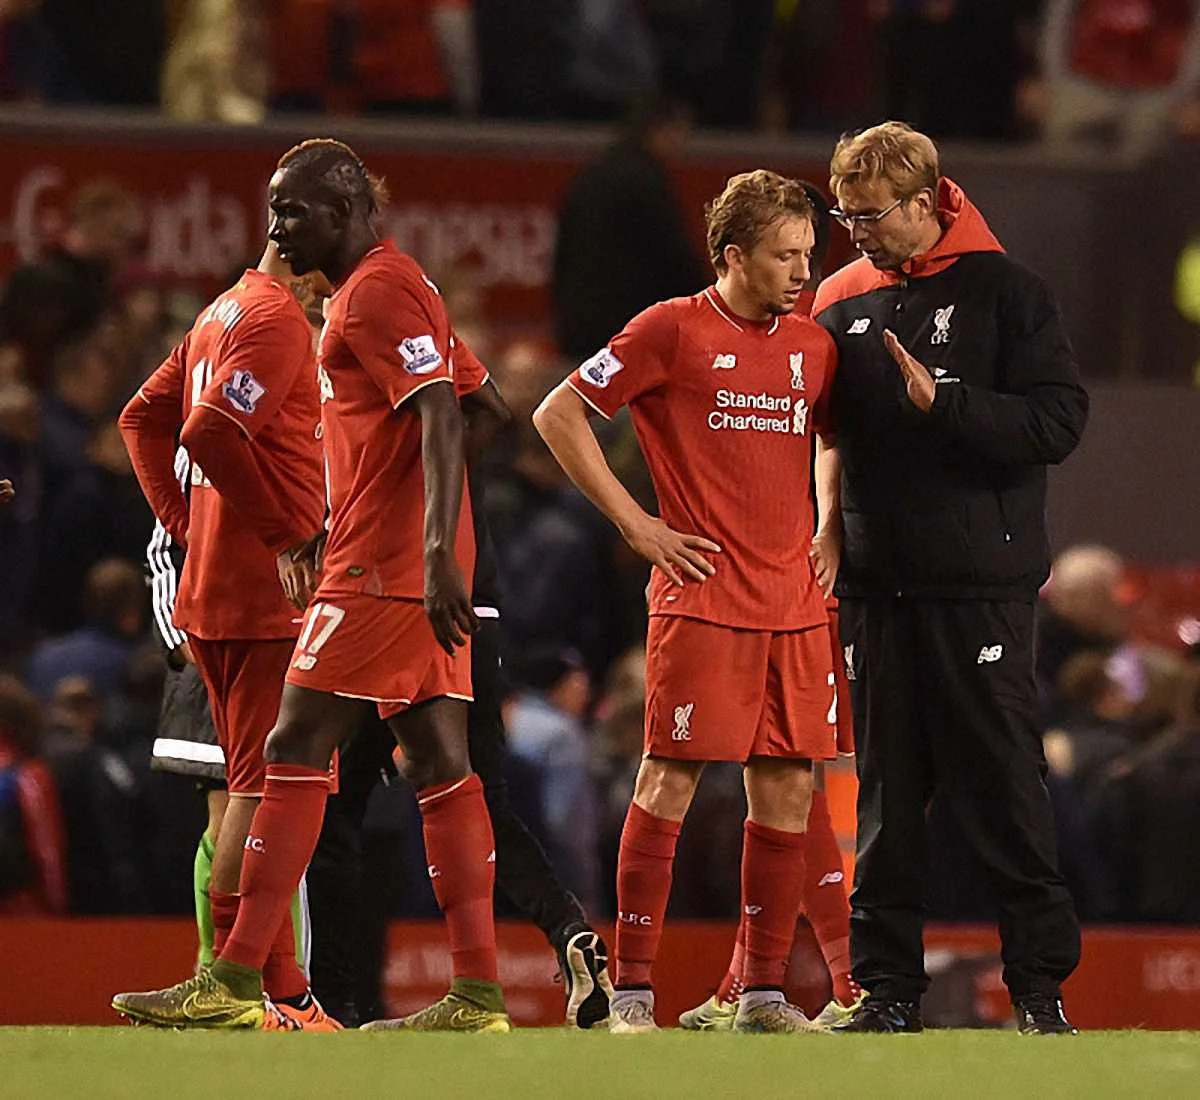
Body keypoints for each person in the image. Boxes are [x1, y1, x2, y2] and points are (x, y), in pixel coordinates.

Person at [113, 137, 507, 1033]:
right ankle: (478, 992)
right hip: (395, 561)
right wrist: (420, 517)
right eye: (273, 211)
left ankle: (239, 978)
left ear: (346, 207)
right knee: (443, 767)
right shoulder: (399, 289)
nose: (277, 230)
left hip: (370, 569)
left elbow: (444, 412)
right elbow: (487, 407)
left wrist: (424, 538)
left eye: (292, 211)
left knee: (289, 752)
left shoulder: (365, 295)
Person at [535, 169, 841, 1034]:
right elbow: (559, 413)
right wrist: (635, 522)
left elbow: (833, 443)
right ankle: (632, 994)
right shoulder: (669, 329)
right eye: (785, 256)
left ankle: (764, 996)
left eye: (809, 256)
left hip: (795, 604)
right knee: (667, 778)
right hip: (704, 600)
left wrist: (828, 531)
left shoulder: (812, 346)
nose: (802, 272)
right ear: (733, 254)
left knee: (787, 790)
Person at [811, 121, 1089, 1035]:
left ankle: (1040, 991)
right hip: (876, 586)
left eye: (872, 215)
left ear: (928, 201)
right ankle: (886, 994)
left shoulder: (1012, 294)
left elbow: (1058, 424)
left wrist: (948, 404)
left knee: (1004, 784)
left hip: (981, 587)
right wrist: (825, 525)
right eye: (845, 216)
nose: (856, 233)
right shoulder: (841, 300)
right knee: (885, 796)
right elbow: (830, 434)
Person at [115, 237, 334, 1031]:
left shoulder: (218, 313)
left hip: (218, 588)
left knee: (258, 788)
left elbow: (142, 417)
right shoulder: (276, 321)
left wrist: (187, 526)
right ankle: (230, 981)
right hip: (265, 596)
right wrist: (281, 537)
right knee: (265, 791)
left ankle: (278, 996)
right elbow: (205, 431)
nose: (330, 293)